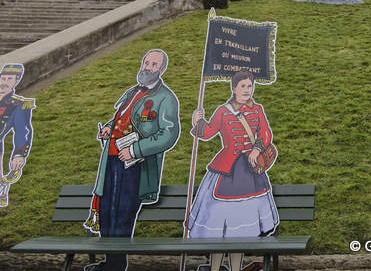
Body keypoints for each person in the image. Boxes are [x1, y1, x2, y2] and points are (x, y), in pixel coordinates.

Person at [85, 49, 180, 271]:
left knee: (122, 214)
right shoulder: (132, 91)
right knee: (107, 210)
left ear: (161, 69)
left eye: (154, 64)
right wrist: (109, 127)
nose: (147, 67)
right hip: (112, 158)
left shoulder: (166, 97)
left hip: (135, 166)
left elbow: (169, 134)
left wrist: (136, 150)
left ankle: (116, 265)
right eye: (146, 62)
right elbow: (122, 118)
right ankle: (110, 262)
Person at [187, 70, 279, 271]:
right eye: (243, 86)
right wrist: (197, 123)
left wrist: (256, 149)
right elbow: (209, 132)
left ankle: (236, 269)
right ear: (234, 88)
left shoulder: (258, 109)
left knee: (242, 230)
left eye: (250, 86)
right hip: (226, 171)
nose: (247, 90)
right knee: (219, 230)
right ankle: (215, 268)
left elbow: (265, 133)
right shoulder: (223, 111)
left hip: (250, 173)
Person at [0, 64, 34, 208]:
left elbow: (22, 131)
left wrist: (19, 154)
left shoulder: (18, 104)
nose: (4, 82)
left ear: (16, 81)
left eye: (9, 79)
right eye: (3, 77)